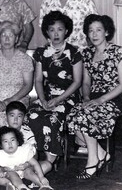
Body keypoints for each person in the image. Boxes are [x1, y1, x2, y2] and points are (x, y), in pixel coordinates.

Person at [66, 14, 122, 180]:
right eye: (90, 31)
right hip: (93, 97)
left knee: (85, 116)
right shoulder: (86, 54)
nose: (94, 34)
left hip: (114, 99)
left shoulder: (119, 52)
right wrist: (86, 98)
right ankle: (101, 154)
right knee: (73, 115)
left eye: (98, 30)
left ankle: (92, 161)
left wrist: (100, 100)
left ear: (106, 32)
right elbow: (86, 83)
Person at [26, 11, 82, 166]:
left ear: (66, 31)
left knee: (53, 118)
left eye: (60, 29)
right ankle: (29, 158)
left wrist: (58, 99)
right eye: (52, 29)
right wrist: (43, 99)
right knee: (30, 115)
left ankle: (50, 160)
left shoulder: (74, 52)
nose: (56, 33)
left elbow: (77, 82)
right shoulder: (41, 53)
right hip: (47, 96)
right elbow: (38, 80)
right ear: (46, 32)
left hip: (68, 98)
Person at [0, 21, 34, 138]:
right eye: (3, 36)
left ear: (16, 39)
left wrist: (10, 100)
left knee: (15, 112)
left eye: (10, 36)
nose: (7, 39)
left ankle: (18, 146)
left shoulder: (25, 59)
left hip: (18, 98)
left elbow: (28, 85)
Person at [0, 101, 53, 189]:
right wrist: (3, 169)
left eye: (19, 116)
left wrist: (26, 165)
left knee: (47, 165)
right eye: (12, 115)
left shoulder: (27, 132)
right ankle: (10, 184)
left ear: (24, 117)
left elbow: (35, 155)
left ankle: (43, 186)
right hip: (9, 169)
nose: (15, 120)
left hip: (26, 167)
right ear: (6, 116)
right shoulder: (2, 132)